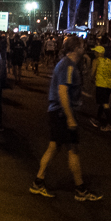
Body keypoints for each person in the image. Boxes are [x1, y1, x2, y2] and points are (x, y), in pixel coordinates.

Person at [30, 36, 103, 201]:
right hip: (62, 113)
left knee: (54, 148)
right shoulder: (68, 67)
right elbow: (63, 92)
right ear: (76, 48)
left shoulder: (68, 64)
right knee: (73, 150)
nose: (85, 47)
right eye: (82, 45)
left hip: (58, 112)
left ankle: (38, 182)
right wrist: (70, 117)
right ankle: (80, 189)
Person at [89, 44, 111, 131]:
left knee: (104, 103)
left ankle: (110, 123)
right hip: (108, 85)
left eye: (95, 52)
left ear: (98, 53)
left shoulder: (96, 61)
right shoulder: (109, 61)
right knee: (103, 102)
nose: (94, 53)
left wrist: (91, 79)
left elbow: (93, 72)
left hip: (100, 84)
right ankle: (97, 118)